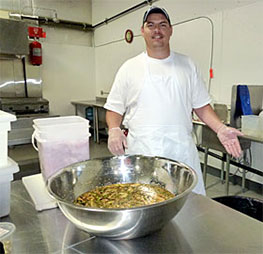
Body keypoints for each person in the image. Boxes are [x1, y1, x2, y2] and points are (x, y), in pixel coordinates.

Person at [104, 6, 243, 195]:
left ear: (170, 30)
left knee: (190, 208)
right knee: (147, 206)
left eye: (162, 24)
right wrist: (114, 130)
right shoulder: (130, 68)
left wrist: (220, 128)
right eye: (150, 25)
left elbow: (201, 105)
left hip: (181, 153)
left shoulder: (187, 65)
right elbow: (114, 108)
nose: (157, 30)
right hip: (144, 153)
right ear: (142, 31)